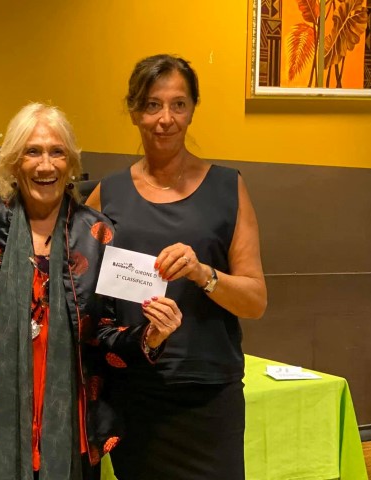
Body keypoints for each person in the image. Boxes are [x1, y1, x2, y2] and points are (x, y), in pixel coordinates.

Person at [0, 103, 181, 480]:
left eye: (57, 152)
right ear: (13, 162)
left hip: (72, 425)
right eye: (32, 152)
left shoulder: (99, 234)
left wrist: (152, 336)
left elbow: (104, 333)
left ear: (70, 163)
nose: (45, 165)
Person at [86, 54, 267, 479]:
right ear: (134, 111)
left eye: (178, 104)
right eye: (152, 105)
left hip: (209, 391)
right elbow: (84, 294)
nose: (165, 119)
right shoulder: (105, 195)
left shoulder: (228, 188)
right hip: (134, 390)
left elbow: (255, 301)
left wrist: (203, 273)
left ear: (192, 110)